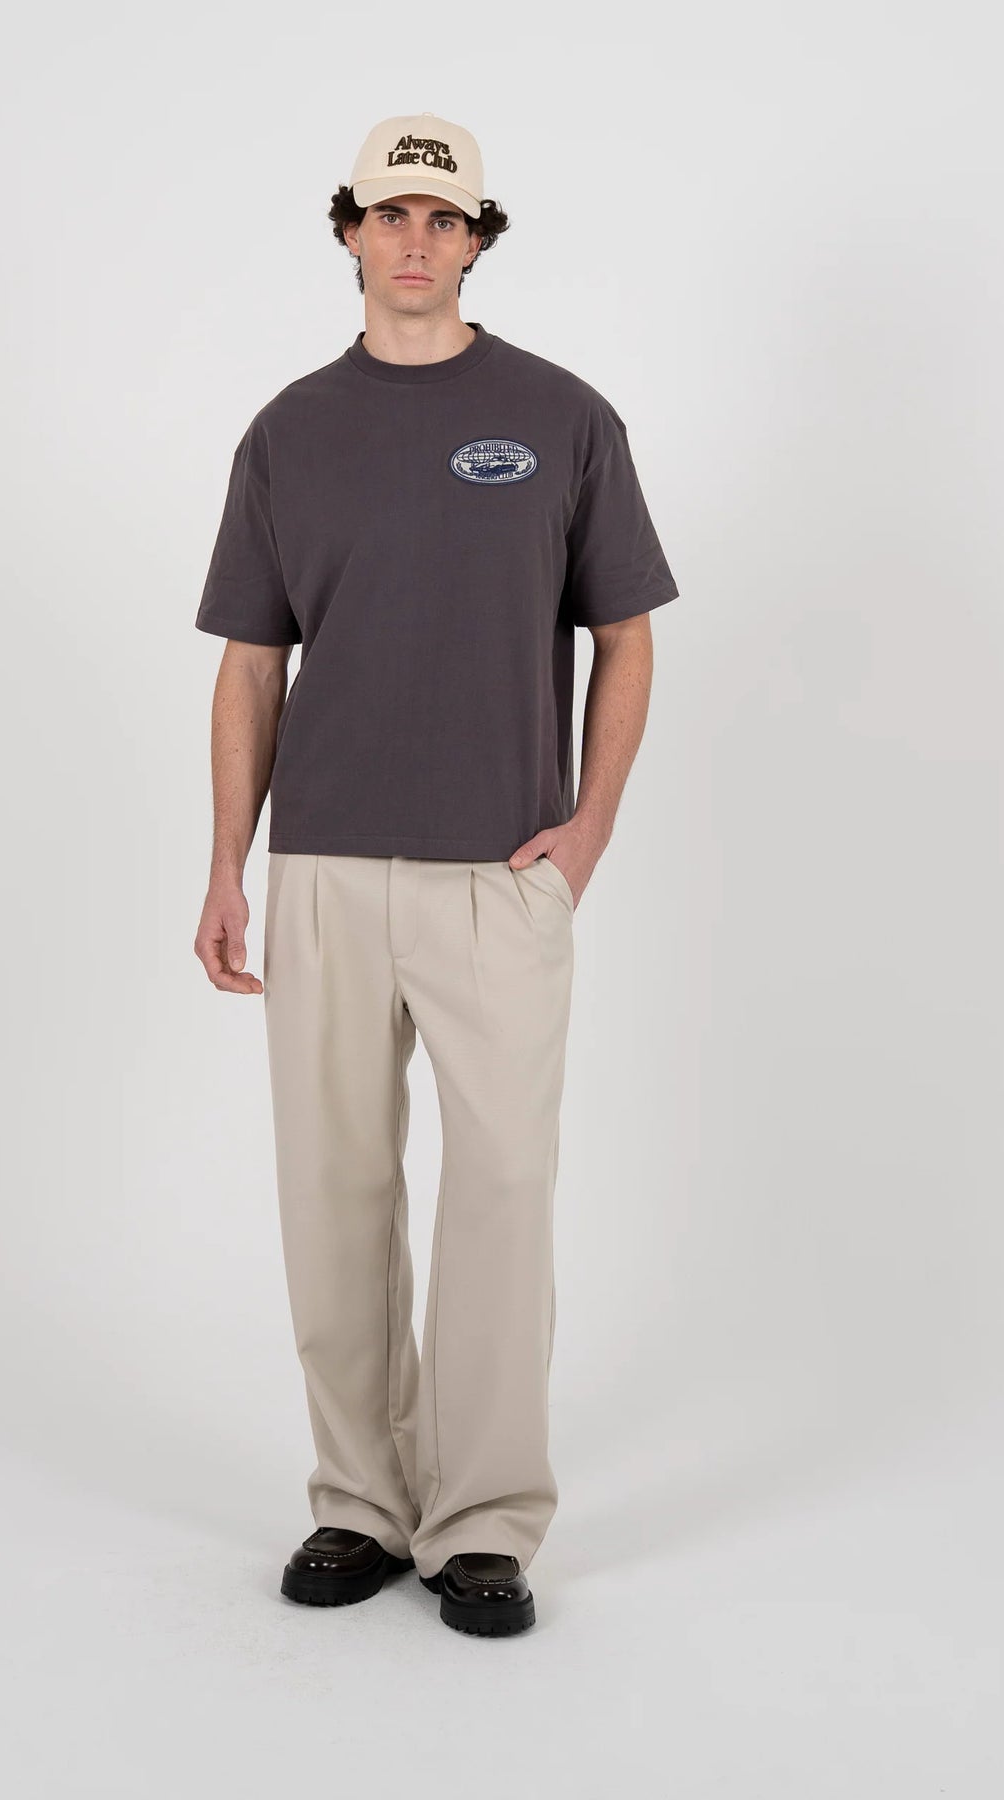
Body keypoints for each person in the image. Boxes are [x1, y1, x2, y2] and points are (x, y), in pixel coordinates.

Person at [194, 111, 679, 1637]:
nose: (415, 241)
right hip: (326, 867)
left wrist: (590, 828)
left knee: (504, 1193)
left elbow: (627, 637)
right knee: (334, 1189)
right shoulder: (287, 432)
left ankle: (481, 1520)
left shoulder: (563, 417)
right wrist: (226, 863)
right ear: (348, 231)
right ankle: (358, 1501)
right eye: (390, 215)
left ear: (478, 239)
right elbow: (250, 665)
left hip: (501, 874)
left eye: (443, 218)